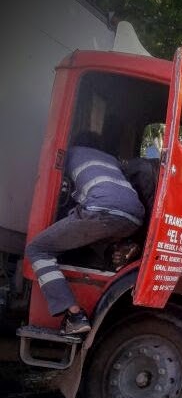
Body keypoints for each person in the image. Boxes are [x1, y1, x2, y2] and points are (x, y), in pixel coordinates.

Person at [25, 132, 145, 335]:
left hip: (101, 210)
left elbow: (60, 194)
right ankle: (115, 248)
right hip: (134, 217)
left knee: (38, 248)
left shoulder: (69, 154)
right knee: (89, 235)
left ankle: (74, 316)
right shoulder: (110, 160)